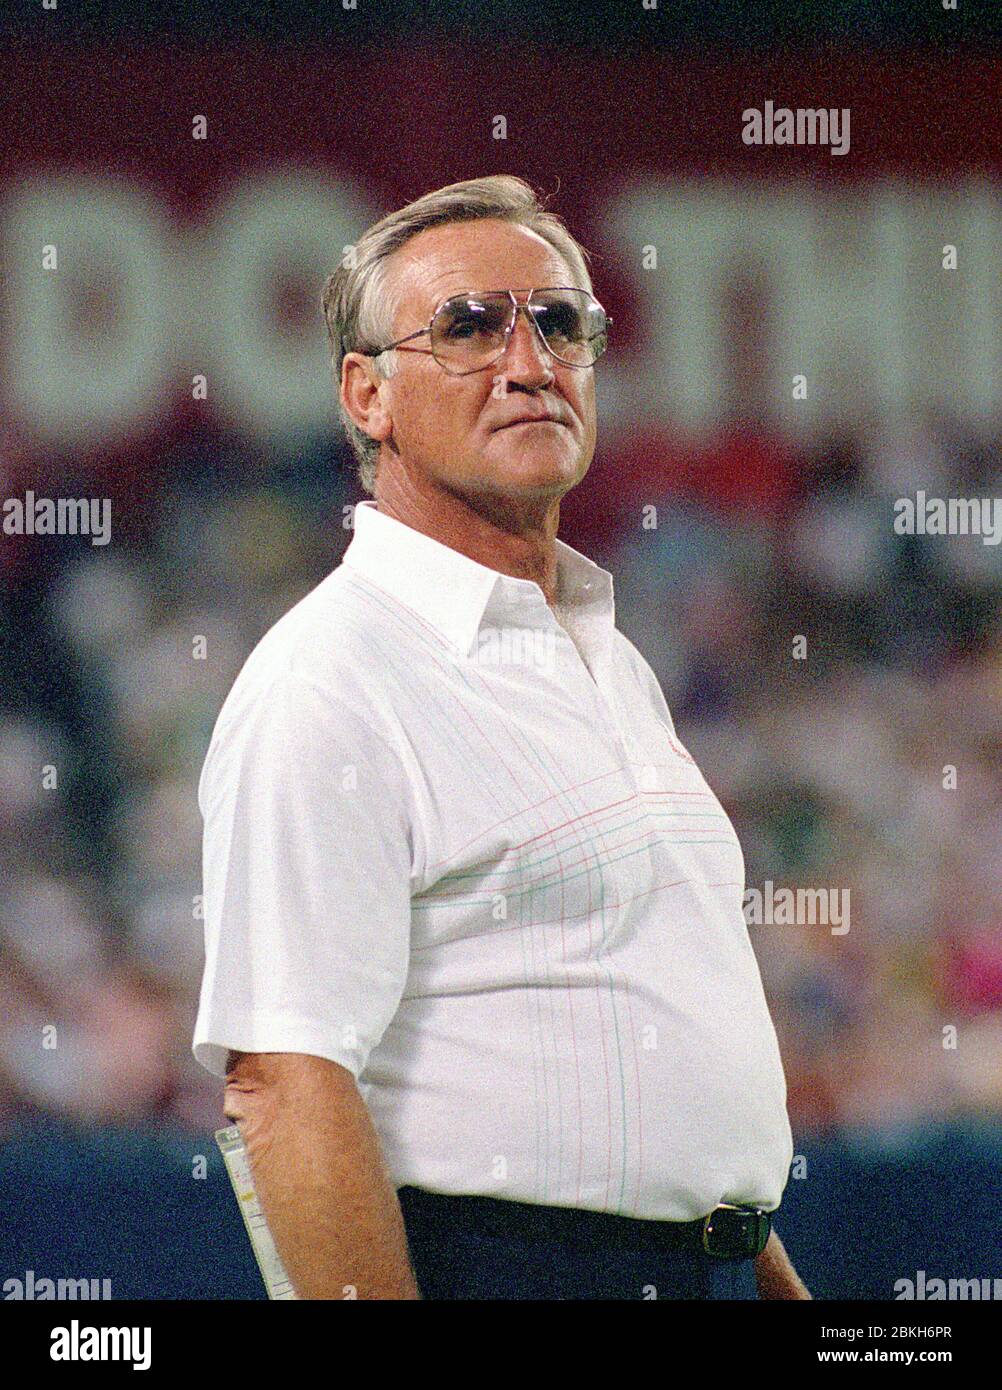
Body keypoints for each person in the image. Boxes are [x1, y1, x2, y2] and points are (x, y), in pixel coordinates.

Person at [192, 174, 809, 1300]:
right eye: (469, 326)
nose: (530, 362)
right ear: (365, 396)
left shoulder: (605, 657)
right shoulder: (331, 678)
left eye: (561, 322)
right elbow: (283, 1081)